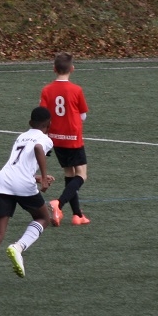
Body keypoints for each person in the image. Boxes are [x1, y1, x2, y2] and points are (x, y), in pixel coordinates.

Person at [0, 107, 57, 290]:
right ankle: (18, 247)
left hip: (3, 181)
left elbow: (19, 165)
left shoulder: (21, 136)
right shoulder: (45, 139)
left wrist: (37, 178)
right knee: (43, 218)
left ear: (30, 123)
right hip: (22, 183)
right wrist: (43, 178)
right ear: (49, 124)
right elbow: (38, 149)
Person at [40, 52, 91, 225]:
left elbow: (43, 115)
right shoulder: (76, 90)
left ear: (54, 69)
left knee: (69, 173)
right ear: (72, 69)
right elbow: (83, 116)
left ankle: (77, 215)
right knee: (82, 175)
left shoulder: (47, 90)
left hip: (55, 138)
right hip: (73, 138)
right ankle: (59, 203)